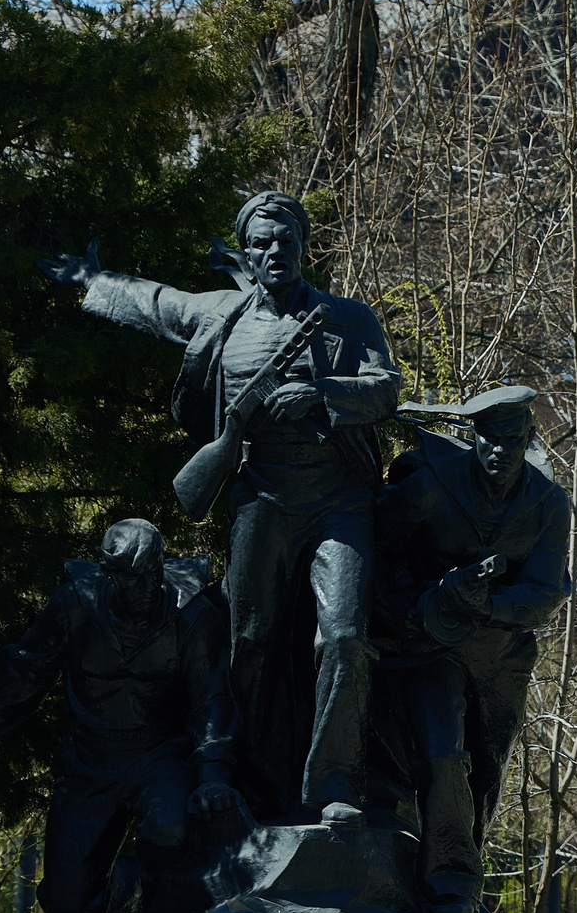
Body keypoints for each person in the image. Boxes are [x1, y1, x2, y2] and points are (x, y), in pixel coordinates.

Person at [39, 192, 402, 824]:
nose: (275, 252)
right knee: (250, 645)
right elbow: (159, 304)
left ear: (303, 245)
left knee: (343, 638)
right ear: (247, 252)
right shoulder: (223, 318)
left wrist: (320, 396)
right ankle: (251, 783)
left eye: (286, 240)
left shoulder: (346, 318)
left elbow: (386, 387)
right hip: (258, 501)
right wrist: (94, 280)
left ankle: (335, 783)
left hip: (338, 504)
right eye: (261, 242)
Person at [0, 519, 240, 913]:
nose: (149, 588)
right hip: (89, 761)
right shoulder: (75, 605)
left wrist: (212, 775)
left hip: (160, 757)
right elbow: (23, 675)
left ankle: (147, 890)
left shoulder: (193, 616)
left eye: (154, 573)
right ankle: (119, 895)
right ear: (110, 575)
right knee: (66, 906)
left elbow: (212, 699)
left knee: (170, 828)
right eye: (135, 579)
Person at [371, 388, 571, 913]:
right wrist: (425, 602)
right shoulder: (431, 484)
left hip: (501, 656)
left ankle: (461, 877)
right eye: (491, 438)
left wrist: (482, 603)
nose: (501, 451)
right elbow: (378, 555)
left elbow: (546, 591)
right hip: (430, 648)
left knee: (485, 773)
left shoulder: (549, 503)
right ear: (473, 438)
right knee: (442, 755)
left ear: (528, 440)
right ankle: (450, 890)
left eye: (513, 440)